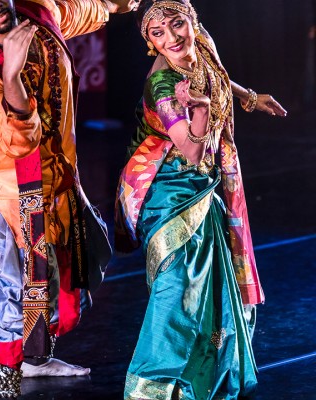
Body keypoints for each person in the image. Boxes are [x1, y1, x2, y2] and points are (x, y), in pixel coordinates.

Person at [0, 0, 140, 398]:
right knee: (17, 285)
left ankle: (34, 360)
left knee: (70, 269)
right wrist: (13, 72)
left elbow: (83, 9)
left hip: (52, 175)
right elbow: (19, 140)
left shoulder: (38, 12)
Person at [115, 0, 287, 398]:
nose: (172, 38)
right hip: (170, 187)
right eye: (159, 34)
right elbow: (192, 151)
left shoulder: (202, 43)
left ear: (193, 22)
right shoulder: (162, 84)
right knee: (177, 286)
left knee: (209, 282)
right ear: (150, 43)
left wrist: (249, 97)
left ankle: (203, 373)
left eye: (178, 25)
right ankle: (149, 388)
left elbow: (218, 76)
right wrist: (202, 112)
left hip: (206, 182)